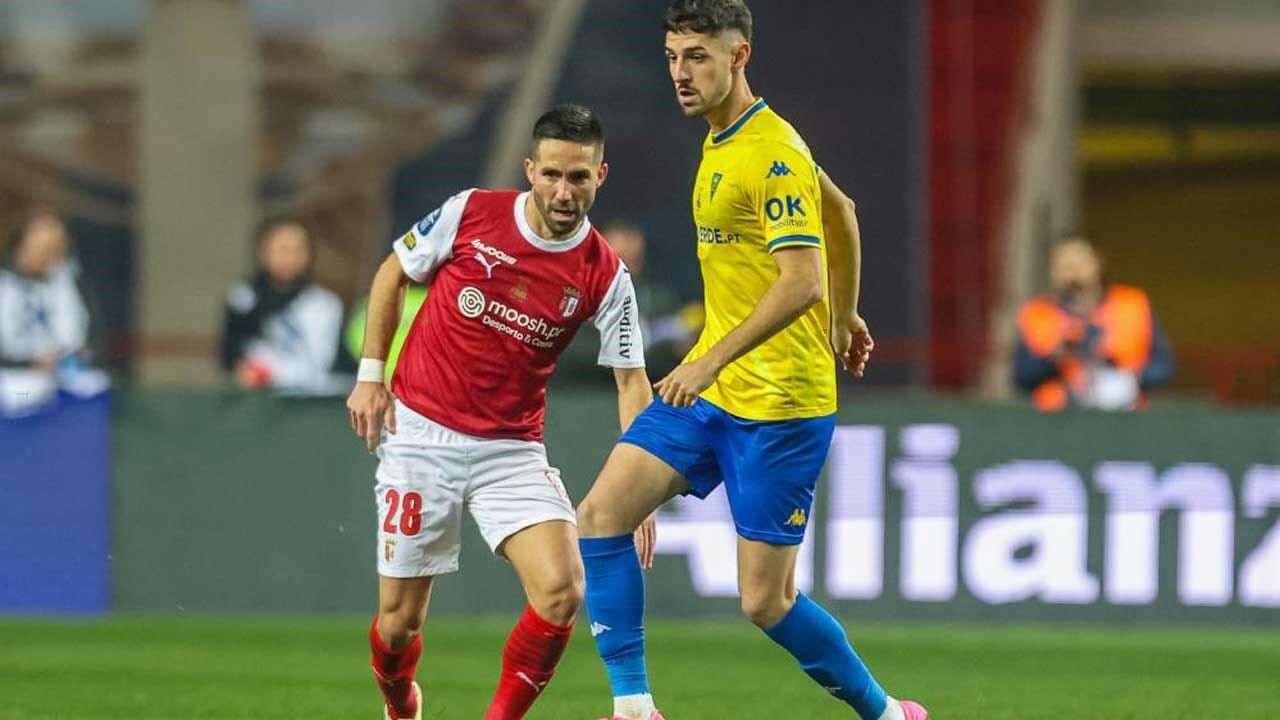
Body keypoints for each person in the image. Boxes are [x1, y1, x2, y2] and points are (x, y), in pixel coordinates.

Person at [574, 3, 928, 720]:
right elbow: (843, 211)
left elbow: (802, 279)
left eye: (697, 57)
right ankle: (634, 707)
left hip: (780, 406)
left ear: (739, 57)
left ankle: (888, 714)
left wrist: (712, 359)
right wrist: (846, 316)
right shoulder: (722, 140)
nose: (680, 73)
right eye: (673, 57)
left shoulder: (772, 152)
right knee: (601, 515)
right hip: (713, 393)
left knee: (766, 601)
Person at [344, 104, 650, 720]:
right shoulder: (471, 212)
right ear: (530, 170)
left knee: (563, 590)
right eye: (552, 175)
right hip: (420, 434)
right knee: (399, 624)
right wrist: (371, 376)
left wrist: (641, 487)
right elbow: (392, 273)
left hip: (511, 450)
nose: (564, 192)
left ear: (600, 176)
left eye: (579, 177)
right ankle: (400, 700)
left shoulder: (606, 274)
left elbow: (631, 382)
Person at [1014, 236, 1174, 411]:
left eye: (1079, 263)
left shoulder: (1132, 305)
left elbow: (1163, 368)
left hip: (1125, 415)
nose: (1072, 272)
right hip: (1058, 417)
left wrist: (1130, 378)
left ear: (1097, 263)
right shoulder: (1038, 314)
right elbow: (1022, 376)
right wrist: (1055, 356)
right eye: (1063, 265)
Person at [220, 218, 345, 395]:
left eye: (296, 250)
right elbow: (229, 355)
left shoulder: (325, 304)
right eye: (281, 250)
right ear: (263, 252)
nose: (288, 258)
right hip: (257, 400)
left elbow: (332, 364)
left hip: (311, 401)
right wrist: (242, 371)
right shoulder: (242, 298)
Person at [0, 212, 100, 415]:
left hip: (65, 377)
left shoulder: (72, 282)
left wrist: (75, 356)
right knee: (20, 394)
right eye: (42, 246)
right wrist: (30, 362)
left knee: (92, 388)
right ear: (22, 245)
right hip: (14, 380)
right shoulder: (5, 283)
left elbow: (95, 339)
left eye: (56, 246)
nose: (50, 254)